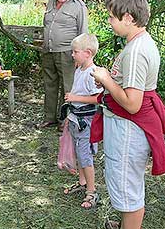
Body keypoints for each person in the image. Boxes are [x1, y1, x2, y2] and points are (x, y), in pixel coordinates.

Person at [92, 0, 165, 229]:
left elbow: (133, 104)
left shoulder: (136, 51)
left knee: (128, 191)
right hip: (126, 127)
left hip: (128, 129)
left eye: (112, 17)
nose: (109, 22)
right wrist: (110, 80)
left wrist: (106, 80)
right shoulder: (138, 43)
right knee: (128, 186)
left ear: (128, 18)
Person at [40, 0, 88, 129]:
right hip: (49, 50)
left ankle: (65, 120)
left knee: (68, 87)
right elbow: (46, 25)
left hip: (67, 52)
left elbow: (83, 32)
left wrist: (79, 55)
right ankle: (49, 118)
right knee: (49, 85)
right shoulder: (50, 2)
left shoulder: (78, 5)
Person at [61, 33, 103, 209]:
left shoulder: (93, 74)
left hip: (86, 122)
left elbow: (98, 98)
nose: (72, 54)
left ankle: (92, 192)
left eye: (75, 51)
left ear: (88, 53)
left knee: (85, 156)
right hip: (75, 118)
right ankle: (82, 182)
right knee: (79, 153)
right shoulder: (79, 69)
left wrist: (74, 97)